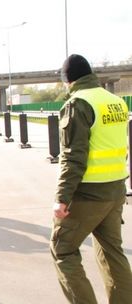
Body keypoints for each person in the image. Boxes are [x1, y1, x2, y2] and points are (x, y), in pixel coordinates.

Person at [50, 54, 132, 303]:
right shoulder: (116, 102)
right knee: (112, 252)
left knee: (63, 250)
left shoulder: (78, 103)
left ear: (68, 80)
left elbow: (73, 157)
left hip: (87, 194)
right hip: (115, 191)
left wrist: (61, 199)